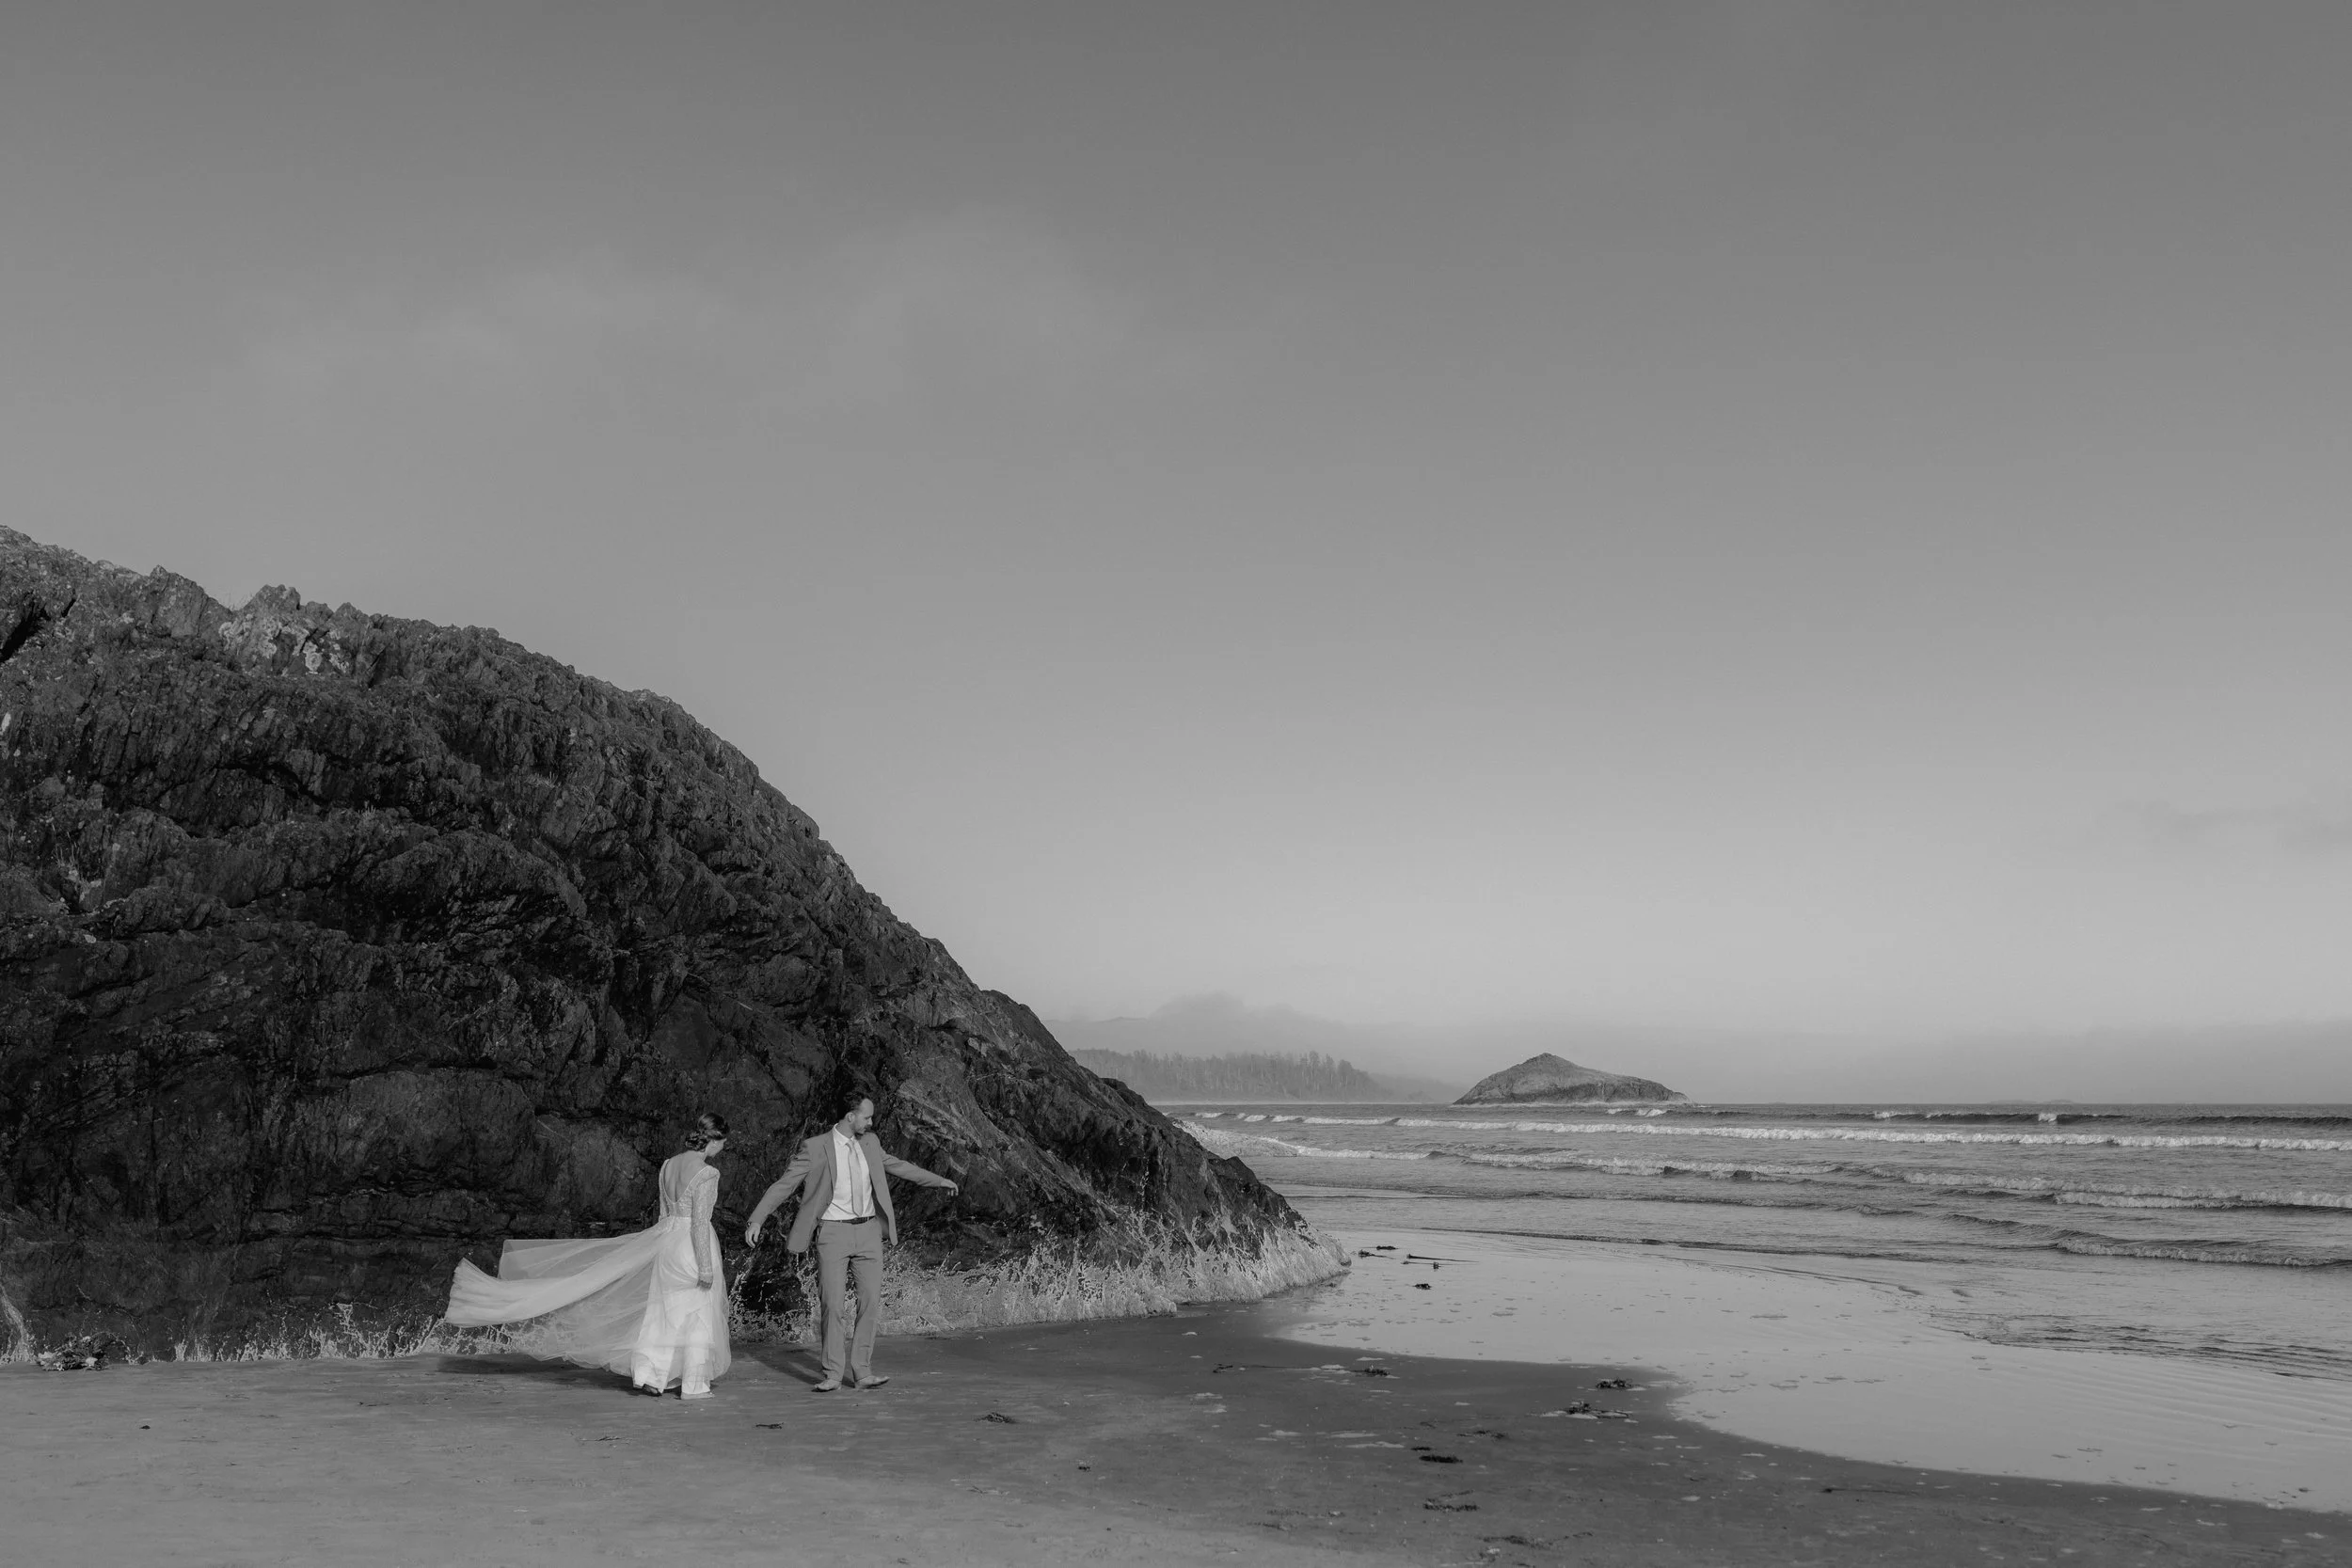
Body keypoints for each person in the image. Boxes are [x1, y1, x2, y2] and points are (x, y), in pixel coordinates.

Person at [443, 1113, 734, 1400]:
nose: (723, 1149)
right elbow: (698, 1223)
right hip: (690, 1247)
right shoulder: (707, 1173)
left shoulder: (668, 1166)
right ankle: (695, 1384)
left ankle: (653, 1376)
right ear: (715, 1139)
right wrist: (706, 1266)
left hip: (667, 1244)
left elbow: (663, 1215)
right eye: (724, 1142)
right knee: (696, 1313)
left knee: (663, 1312)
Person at [743, 1096, 958, 1392]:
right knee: (833, 1304)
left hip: (869, 1232)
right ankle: (832, 1374)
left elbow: (900, 1166)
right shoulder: (816, 1147)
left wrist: (939, 1181)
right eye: (866, 1118)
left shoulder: (870, 1143)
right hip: (833, 1234)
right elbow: (785, 1184)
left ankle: (862, 1371)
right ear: (849, 1116)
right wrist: (757, 1219)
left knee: (869, 1302)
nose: (871, 1123)